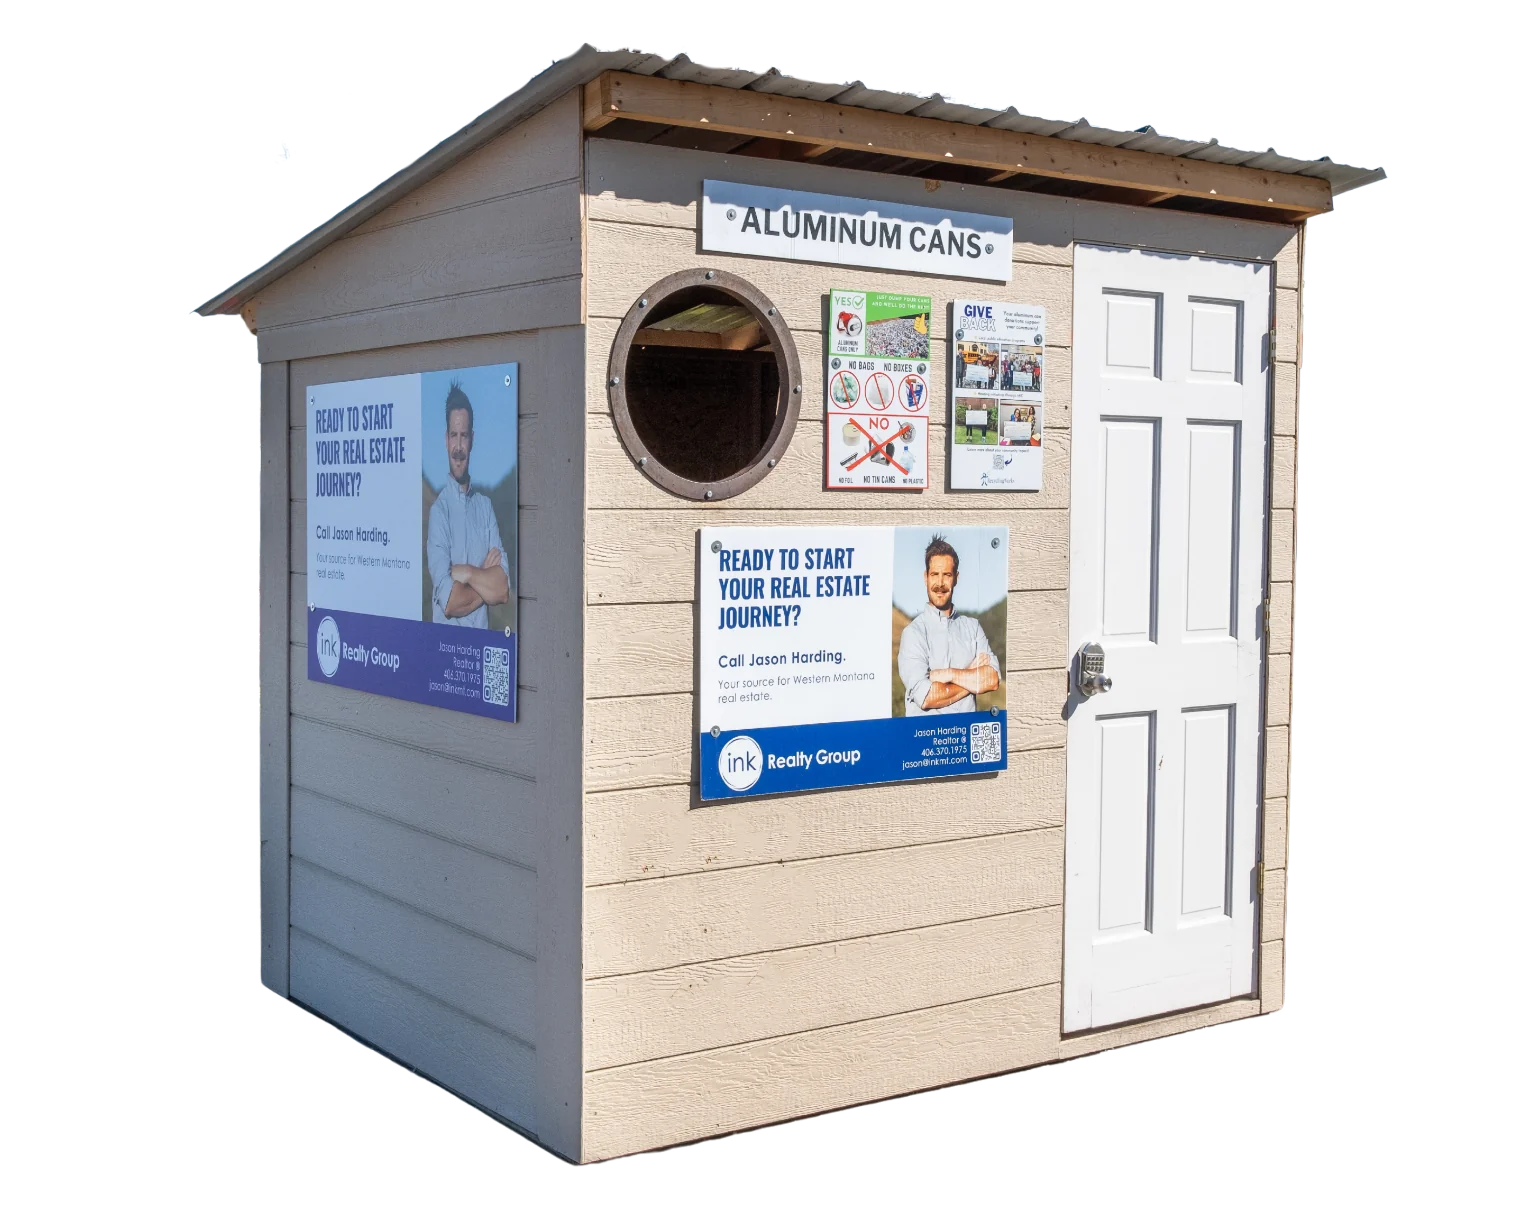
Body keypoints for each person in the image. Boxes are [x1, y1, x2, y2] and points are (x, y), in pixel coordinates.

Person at [427, 382, 510, 627]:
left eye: (464, 436)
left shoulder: (485, 508)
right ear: (445, 439)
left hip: (478, 653)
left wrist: (469, 572)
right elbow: (450, 603)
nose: (459, 447)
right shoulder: (439, 513)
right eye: (454, 435)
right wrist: (485, 577)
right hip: (445, 652)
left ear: (472, 440)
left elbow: (503, 589)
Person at [897, 536, 1001, 715]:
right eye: (934, 575)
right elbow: (927, 696)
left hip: (964, 737)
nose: (940, 584)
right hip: (924, 739)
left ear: (956, 578)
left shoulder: (973, 627)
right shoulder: (913, 633)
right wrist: (970, 674)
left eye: (947, 575)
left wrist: (950, 674)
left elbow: (992, 679)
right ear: (925, 577)